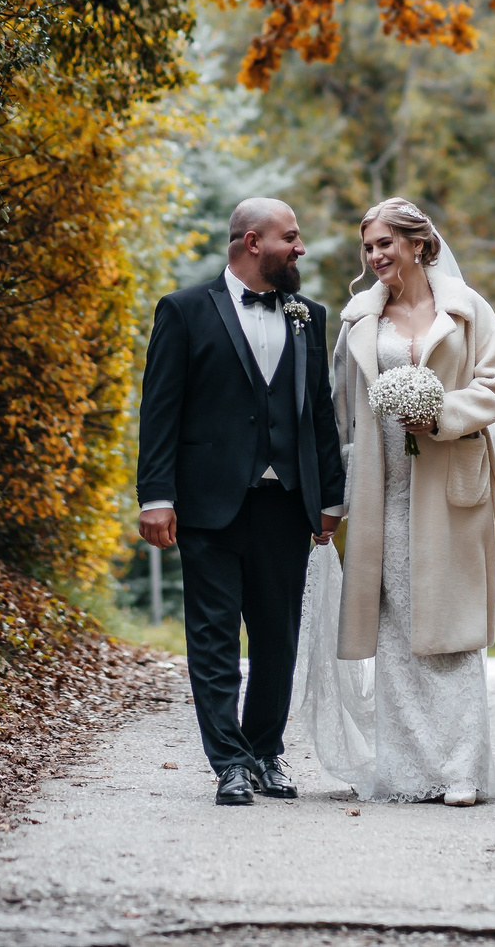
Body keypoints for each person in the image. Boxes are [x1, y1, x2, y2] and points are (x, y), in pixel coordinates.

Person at [300, 197, 495, 805]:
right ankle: (408, 769)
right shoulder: (357, 321)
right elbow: (341, 412)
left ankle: (463, 770)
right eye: (367, 248)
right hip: (384, 490)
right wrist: (334, 500)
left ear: (418, 244)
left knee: (451, 623)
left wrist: (440, 413)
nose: (374, 258)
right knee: (395, 625)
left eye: (384, 244)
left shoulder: (468, 311)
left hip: (451, 490)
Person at [137, 198, 347, 806]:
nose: (300, 247)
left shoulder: (310, 315)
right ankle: (227, 761)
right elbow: (160, 413)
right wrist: (156, 495)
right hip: (207, 504)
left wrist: (330, 495)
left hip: (286, 504)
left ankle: (265, 751)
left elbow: (320, 418)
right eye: (291, 237)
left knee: (278, 638)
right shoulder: (183, 310)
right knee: (213, 637)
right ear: (253, 242)